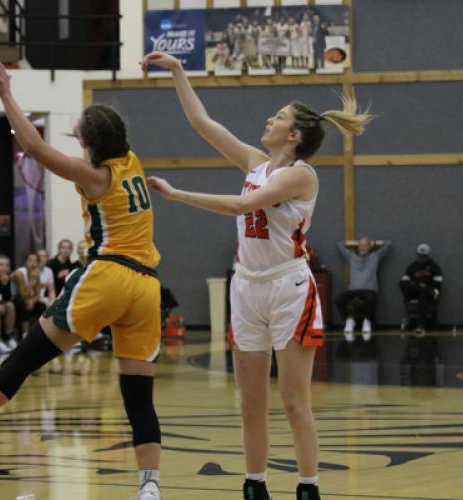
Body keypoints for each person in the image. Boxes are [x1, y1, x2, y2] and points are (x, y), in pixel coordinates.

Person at [141, 50, 372, 500]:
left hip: (289, 286)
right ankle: (255, 485)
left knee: (293, 400)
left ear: (295, 134)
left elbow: (246, 205)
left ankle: (308, 488)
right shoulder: (255, 162)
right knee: (250, 402)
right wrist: (178, 72)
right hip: (246, 285)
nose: (269, 119)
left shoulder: (302, 175)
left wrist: (177, 194)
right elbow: (203, 124)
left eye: (279, 116)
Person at [0, 56, 163, 500]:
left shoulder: (95, 176)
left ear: (89, 143)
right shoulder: (131, 162)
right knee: (138, 396)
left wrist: (7, 96)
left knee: (21, 362)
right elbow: (89, 140)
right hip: (146, 288)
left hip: (109, 277)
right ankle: (150, 487)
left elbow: (40, 152)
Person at [335, 238, 391, 342]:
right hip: (353, 290)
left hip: (369, 289)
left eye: (365, 246)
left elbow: (388, 243)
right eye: (360, 245)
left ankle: (367, 321)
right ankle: (349, 320)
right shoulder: (351, 256)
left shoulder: (375, 256)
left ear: (370, 247)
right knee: (338, 299)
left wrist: (374, 243)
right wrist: (355, 242)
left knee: (371, 299)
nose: (362, 248)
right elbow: (339, 244)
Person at [399, 243, 443, 336]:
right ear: (416, 254)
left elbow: (437, 285)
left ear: (428, 256)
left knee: (422, 295)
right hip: (415, 291)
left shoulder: (435, 267)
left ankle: (420, 326)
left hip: (428, 295)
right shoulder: (412, 266)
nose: (421, 258)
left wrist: (427, 288)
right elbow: (405, 282)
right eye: (419, 255)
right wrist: (419, 285)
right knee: (401, 282)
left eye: (424, 256)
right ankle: (424, 290)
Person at [11, 252, 47, 337]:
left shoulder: (36, 273)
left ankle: (39, 334)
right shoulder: (19, 274)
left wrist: (32, 301)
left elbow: (38, 295)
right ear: (25, 262)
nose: (33, 263)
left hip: (28, 299)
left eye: (35, 261)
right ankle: (25, 335)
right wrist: (31, 283)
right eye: (30, 260)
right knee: (24, 305)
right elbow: (23, 295)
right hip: (14, 299)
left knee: (41, 306)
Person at [0, 254, 17, 350]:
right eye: (1, 265)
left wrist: (4, 284)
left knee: (10, 305)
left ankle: (8, 336)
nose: (4, 268)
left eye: (7, 265)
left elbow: (7, 298)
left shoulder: (8, 278)